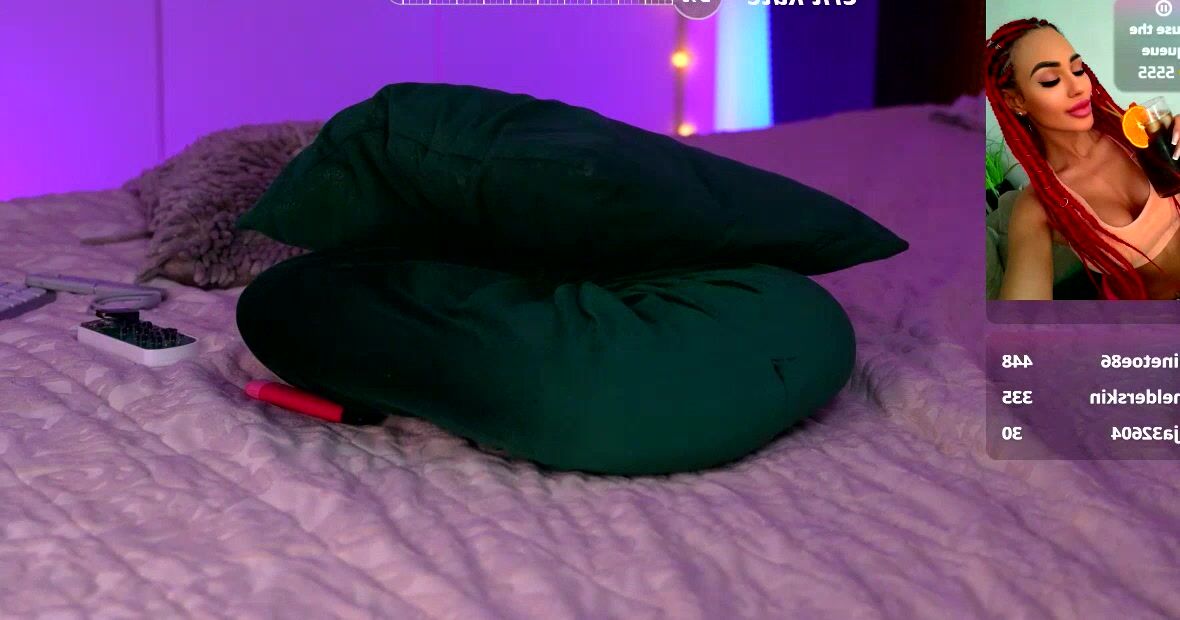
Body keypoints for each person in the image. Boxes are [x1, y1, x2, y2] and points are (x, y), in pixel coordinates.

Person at [986, 18, 1180, 300]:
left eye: (1078, 69)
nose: (1078, 87)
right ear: (1016, 101)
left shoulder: (1138, 135)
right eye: (1050, 80)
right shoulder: (1038, 207)